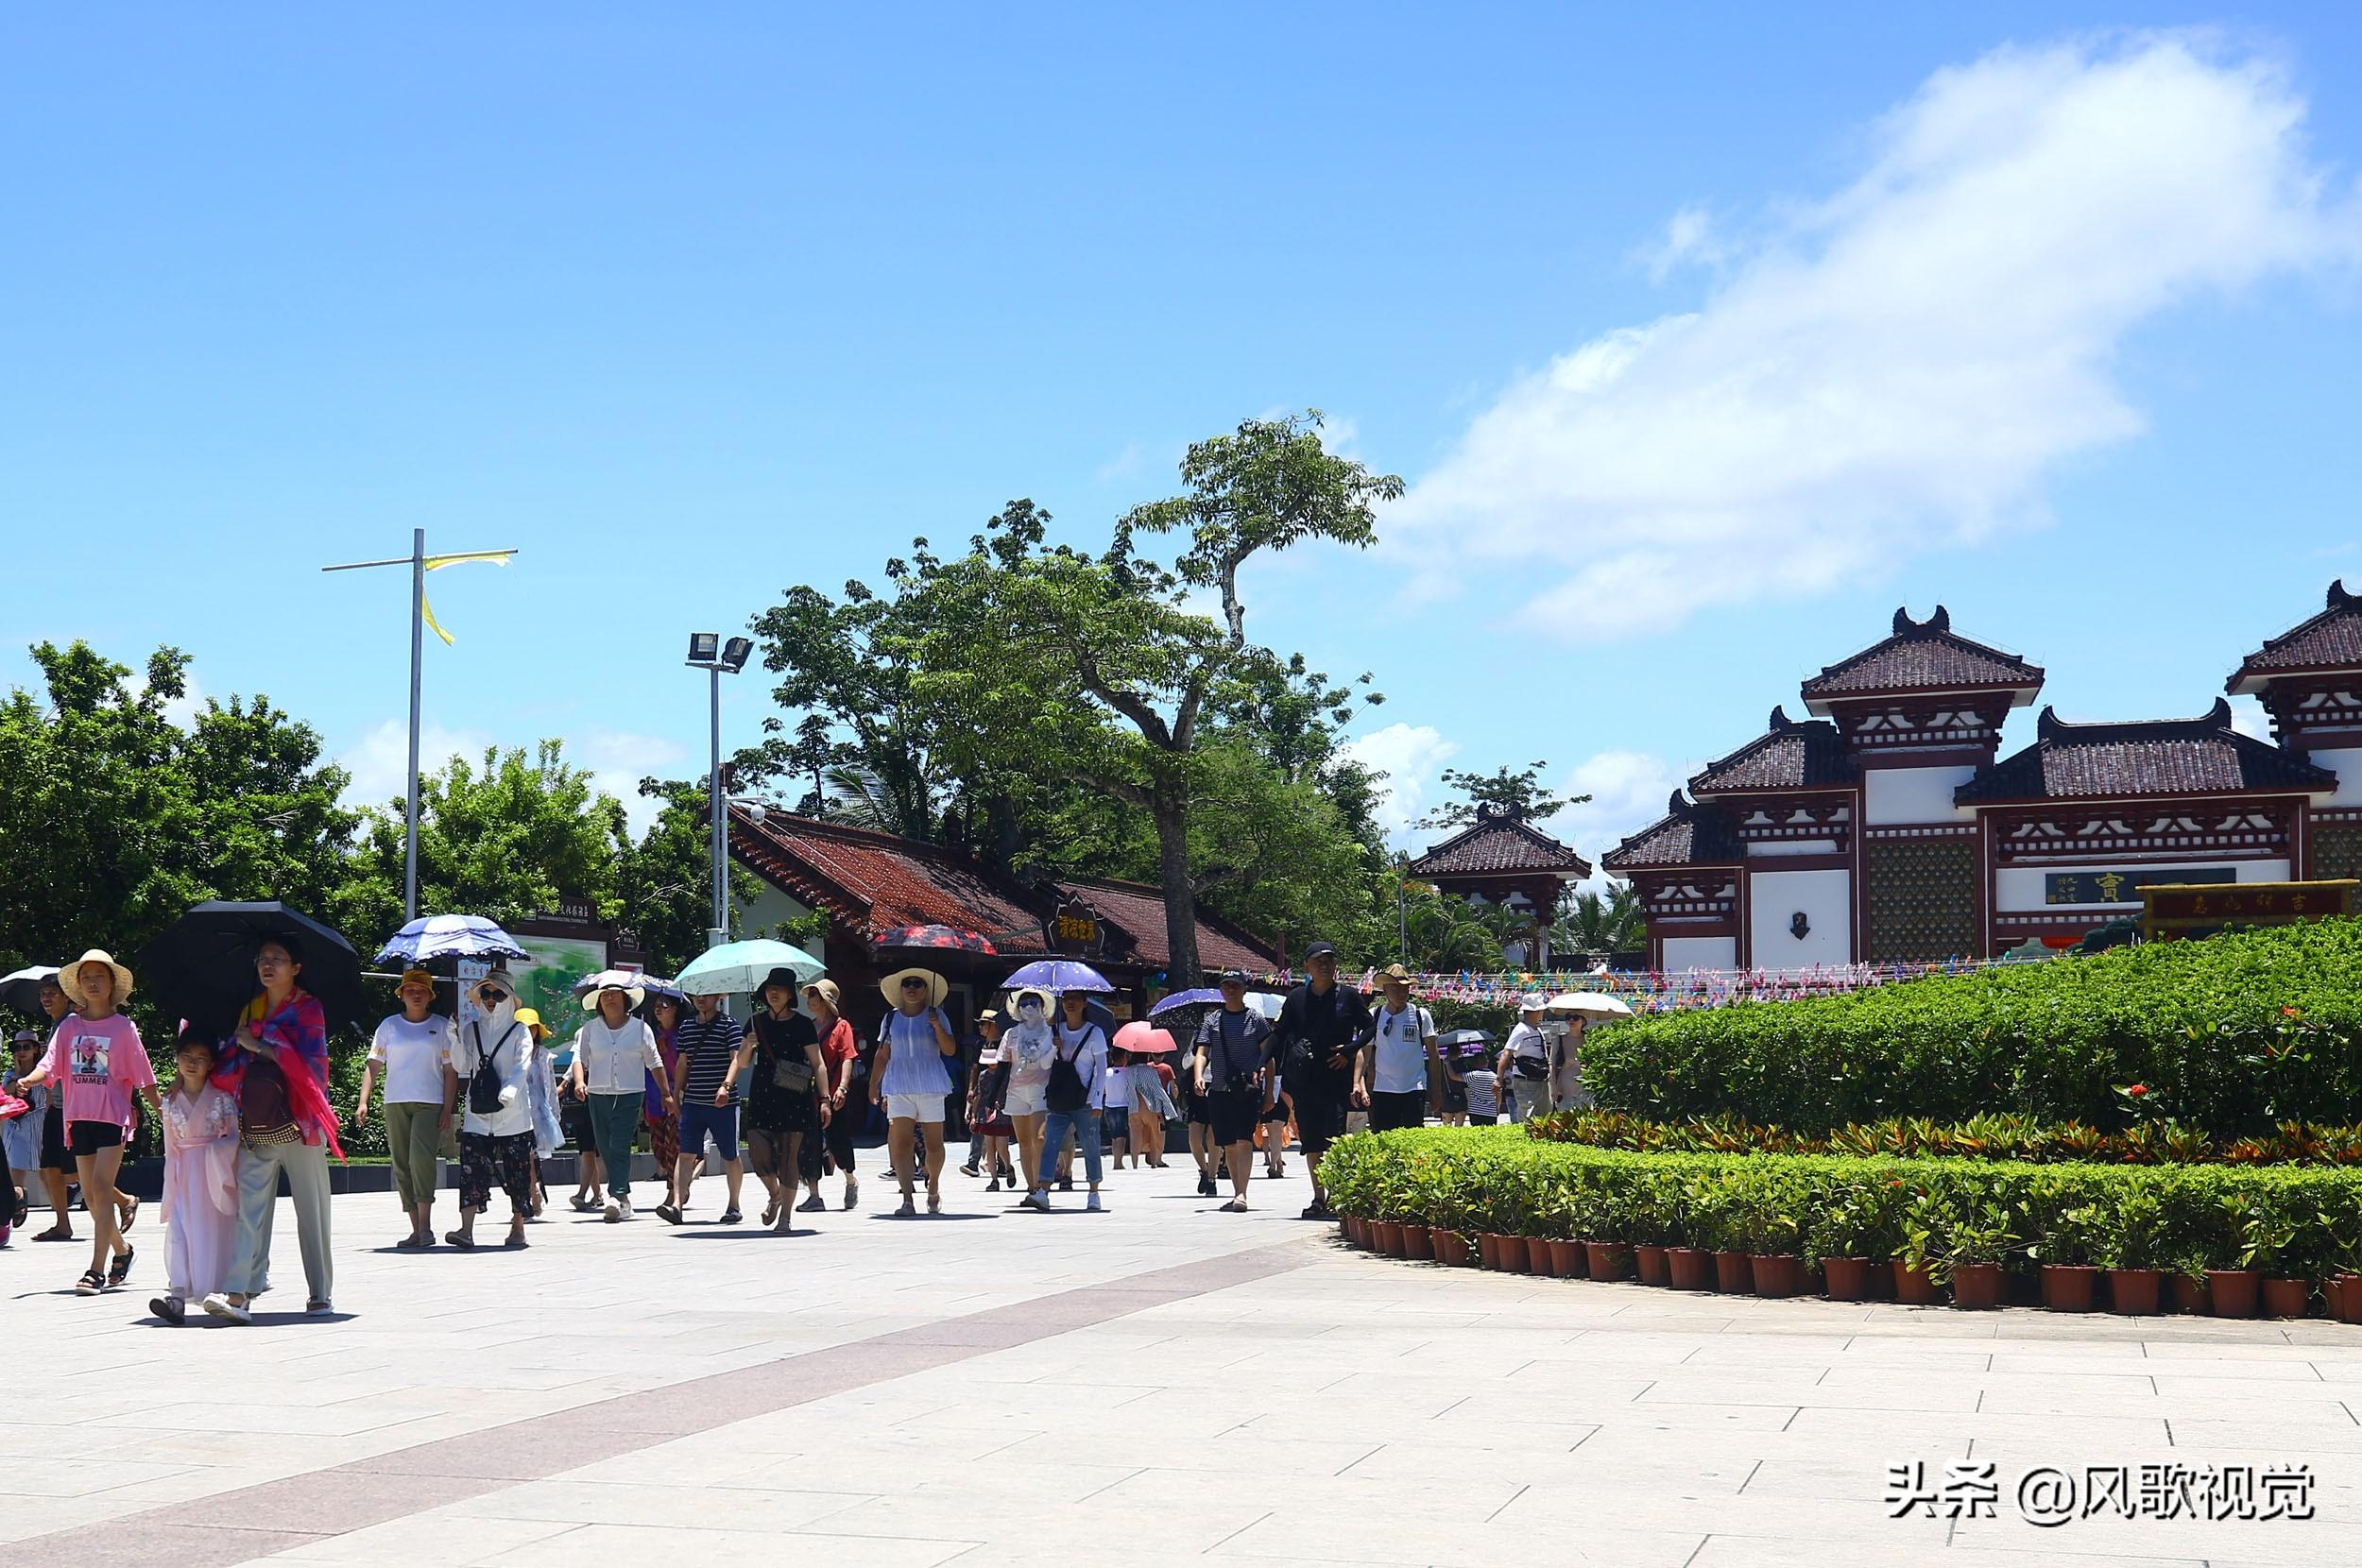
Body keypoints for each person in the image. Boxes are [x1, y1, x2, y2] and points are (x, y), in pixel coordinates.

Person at [206, 937, 341, 1321]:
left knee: (312, 1211)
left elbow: (314, 1070)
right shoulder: (251, 1008)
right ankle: (238, 1294)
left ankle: (320, 1293)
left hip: (301, 1124)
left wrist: (262, 1045)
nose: (267, 965)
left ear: (295, 968)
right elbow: (234, 1060)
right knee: (248, 1211)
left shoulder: (308, 1008)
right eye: (262, 958)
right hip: (257, 1123)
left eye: (277, 959)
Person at [16, 951, 160, 1296]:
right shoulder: (69, 1027)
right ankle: (122, 1251)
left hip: (112, 1117)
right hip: (78, 1118)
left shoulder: (124, 1028)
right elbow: (49, 1066)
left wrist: (167, 1111)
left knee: (97, 1187)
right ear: (78, 987)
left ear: (112, 984)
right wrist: (30, 1081)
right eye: (86, 977)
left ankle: (95, 1269)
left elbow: (144, 1078)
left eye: (100, 976)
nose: (93, 982)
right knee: (95, 1199)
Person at [353, 967, 454, 1249]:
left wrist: (447, 1108)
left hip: (429, 1102)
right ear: (402, 995)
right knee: (401, 1163)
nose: (416, 994)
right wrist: (364, 1101)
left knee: (420, 1160)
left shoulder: (442, 1026)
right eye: (411, 990)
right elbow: (373, 1065)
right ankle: (415, 1229)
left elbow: (450, 1071)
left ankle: (426, 1226)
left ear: (431, 996)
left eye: (422, 990)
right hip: (395, 1101)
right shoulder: (389, 1026)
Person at [1270, 941, 1369, 1219]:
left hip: (1336, 1080)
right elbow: (1280, 1033)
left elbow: (1369, 1026)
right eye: (1318, 961)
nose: (1324, 965)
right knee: (1311, 1142)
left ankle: (1337, 1196)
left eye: (1329, 960)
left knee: (1334, 1138)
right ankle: (1318, 1198)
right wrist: (1260, 1059)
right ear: (1307, 966)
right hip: (1305, 1081)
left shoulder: (1348, 996)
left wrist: (1350, 1050)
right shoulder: (1297, 997)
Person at [148, 1029, 239, 1324]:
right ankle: (177, 1294)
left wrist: (217, 1151)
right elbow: (169, 1146)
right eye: (186, 1056)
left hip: (213, 1171)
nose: (192, 1063)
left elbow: (235, 1137)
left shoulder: (222, 1099)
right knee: (180, 1228)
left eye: (201, 1058)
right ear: (176, 1059)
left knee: (212, 1229)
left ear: (212, 1063)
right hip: (183, 1170)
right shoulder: (170, 1101)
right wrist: (169, 1184)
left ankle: (217, 1291)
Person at [444, 970, 539, 1251]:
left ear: (509, 998)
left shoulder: (520, 1031)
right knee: (471, 1170)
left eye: (498, 994)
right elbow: (462, 1066)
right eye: (485, 994)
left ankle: (518, 1226)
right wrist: (454, 1037)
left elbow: (523, 1065)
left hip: (514, 1117)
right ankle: (466, 1229)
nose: (491, 1000)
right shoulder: (470, 1029)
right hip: (478, 1113)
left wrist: (509, 1091)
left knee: (518, 1172)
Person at [570, 980, 674, 1222]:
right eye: (604, 995)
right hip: (598, 1093)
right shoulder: (590, 1029)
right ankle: (624, 1198)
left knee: (620, 1142)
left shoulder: (640, 1028)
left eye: (615, 994)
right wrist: (579, 1082)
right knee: (604, 1145)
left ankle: (615, 1196)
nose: (610, 998)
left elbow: (655, 1062)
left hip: (630, 1092)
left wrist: (666, 1093)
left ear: (626, 999)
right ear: (598, 1002)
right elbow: (579, 1059)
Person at [742, 967, 827, 1234]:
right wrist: (748, 1045)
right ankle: (775, 1194)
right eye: (769, 989)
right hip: (762, 1095)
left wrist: (824, 1098)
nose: (773, 993)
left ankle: (786, 1217)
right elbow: (743, 1062)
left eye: (779, 988)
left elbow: (818, 1063)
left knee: (789, 1157)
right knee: (758, 1154)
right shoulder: (755, 1023)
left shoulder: (802, 1025)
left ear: (791, 994)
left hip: (794, 1097)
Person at [869, 968, 959, 1217]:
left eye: (917, 984)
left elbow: (950, 1049)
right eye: (907, 983)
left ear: (926, 990)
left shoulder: (936, 1015)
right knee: (901, 1143)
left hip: (930, 1082)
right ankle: (907, 1197)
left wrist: (937, 1027)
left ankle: (934, 1185)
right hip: (899, 1083)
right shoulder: (890, 1018)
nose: (911, 987)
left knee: (934, 1143)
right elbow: (883, 1053)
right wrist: (873, 1083)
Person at [659, 987, 747, 1226]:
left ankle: (734, 1204)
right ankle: (677, 1204)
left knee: (730, 1154)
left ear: (719, 997)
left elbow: (736, 1060)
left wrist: (726, 1087)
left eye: (707, 994)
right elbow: (682, 1063)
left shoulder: (729, 1025)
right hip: (694, 1103)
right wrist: (675, 1094)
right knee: (685, 1153)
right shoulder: (687, 1027)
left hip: (724, 1104)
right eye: (697, 993)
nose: (701, 998)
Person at [1192, 970, 1274, 1213]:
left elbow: (1268, 1057)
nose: (1230, 990)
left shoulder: (1255, 1019)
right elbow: (1202, 1052)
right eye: (1226, 986)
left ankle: (1242, 1193)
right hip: (1219, 1088)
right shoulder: (1212, 1020)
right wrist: (1198, 1076)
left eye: (1235, 986)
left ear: (1244, 989)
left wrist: (1269, 1093)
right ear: (1221, 990)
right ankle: (1236, 1190)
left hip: (1248, 1090)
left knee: (1244, 1139)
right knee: (1227, 1143)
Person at [1021, 989, 1109, 1213]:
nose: (1070, 1004)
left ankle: (1093, 1191)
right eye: (1066, 1000)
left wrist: (1098, 1101)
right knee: (1050, 1142)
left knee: (1090, 1144)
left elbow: (1101, 1070)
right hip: (1059, 1098)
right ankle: (1043, 1191)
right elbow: (1044, 1064)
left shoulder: (1095, 1033)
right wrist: (1053, 1047)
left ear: (1084, 1003)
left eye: (1075, 1000)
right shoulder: (1054, 1031)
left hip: (1085, 1099)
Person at [800, 980, 860, 1213]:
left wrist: (842, 1087)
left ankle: (850, 1179)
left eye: (815, 995)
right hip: (807, 1094)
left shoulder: (841, 1026)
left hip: (833, 1092)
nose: (810, 999)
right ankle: (814, 1195)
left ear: (826, 1000)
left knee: (838, 1139)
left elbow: (848, 1057)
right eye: (810, 994)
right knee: (808, 1143)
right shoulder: (806, 1026)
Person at [1359, 964, 1441, 1133]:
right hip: (1383, 1090)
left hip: (1414, 1089)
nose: (1401, 993)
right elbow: (1364, 1053)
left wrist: (1436, 1090)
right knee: (1384, 1140)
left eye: (1405, 988)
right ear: (1385, 989)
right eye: (1395, 988)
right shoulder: (1375, 1015)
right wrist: (1358, 1083)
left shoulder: (1420, 1015)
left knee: (1412, 1139)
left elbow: (1433, 1055)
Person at [998, 990, 1053, 1204]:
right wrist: (995, 1096)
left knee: (1038, 1139)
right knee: (1023, 1142)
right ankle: (1031, 1187)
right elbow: (1002, 1066)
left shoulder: (1050, 1032)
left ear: (1042, 1005)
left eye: (1034, 1002)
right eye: (1024, 1003)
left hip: (1042, 1087)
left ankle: (1040, 1186)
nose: (1029, 1006)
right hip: (1016, 1090)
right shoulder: (1011, 1034)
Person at [6, 1030, 53, 1234]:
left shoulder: (43, 1071)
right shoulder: (10, 1074)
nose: (21, 1051)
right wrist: (17, 1073)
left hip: (38, 1123)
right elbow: (7, 1090)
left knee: (47, 1170)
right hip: (16, 1124)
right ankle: (17, 1200)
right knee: (15, 1167)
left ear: (35, 1049)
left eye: (26, 1047)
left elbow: (51, 1094)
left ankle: (69, 1194)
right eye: (17, 1048)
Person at [964, 1010, 1016, 1190]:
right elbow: (975, 1069)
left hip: (1002, 1107)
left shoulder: (1005, 1042)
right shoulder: (981, 1054)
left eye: (983, 1024)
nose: (981, 1027)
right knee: (989, 1144)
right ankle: (993, 1179)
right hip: (986, 1108)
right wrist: (972, 1111)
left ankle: (1007, 1167)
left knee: (1002, 1145)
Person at [645, 995, 684, 1207]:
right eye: (656, 1006)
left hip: (676, 1096)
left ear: (676, 1009)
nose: (659, 1009)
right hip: (653, 1097)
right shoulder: (650, 1035)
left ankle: (674, 1193)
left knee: (674, 1147)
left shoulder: (682, 1035)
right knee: (659, 1149)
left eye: (664, 1006)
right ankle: (679, 1187)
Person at [1498, 996, 1552, 1124]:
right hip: (1525, 1080)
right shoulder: (1521, 1030)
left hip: (1541, 1079)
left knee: (1543, 1117)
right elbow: (1506, 1053)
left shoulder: (1537, 1030)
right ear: (1537, 1012)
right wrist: (1499, 1079)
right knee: (1528, 1116)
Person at [1128, 1047, 1178, 1167]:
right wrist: (1168, 1109)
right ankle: (1154, 1163)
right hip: (1150, 1106)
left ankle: (1134, 1163)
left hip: (1133, 1106)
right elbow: (1158, 1090)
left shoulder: (1128, 1070)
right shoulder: (1150, 1070)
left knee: (1135, 1135)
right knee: (1153, 1133)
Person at [1100, 1046, 1132, 1171]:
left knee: (1114, 1136)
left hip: (1109, 1106)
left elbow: (1102, 1091)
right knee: (1122, 1136)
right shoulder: (1128, 1073)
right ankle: (1119, 1162)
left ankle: (1116, 1161)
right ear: (1124, 1058)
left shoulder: (1106, 1072)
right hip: (1123, 1106)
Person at [1552, 1014, 1591, 1111]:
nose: (1571, 1020)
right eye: (1568, 1017)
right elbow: (1552, 1065)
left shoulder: (1589, 1040)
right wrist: (1554, 1088)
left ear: (1583, 1021)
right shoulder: (1559, 1039)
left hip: (1585, 1092)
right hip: (1564, 1092)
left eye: (1576, 1017)